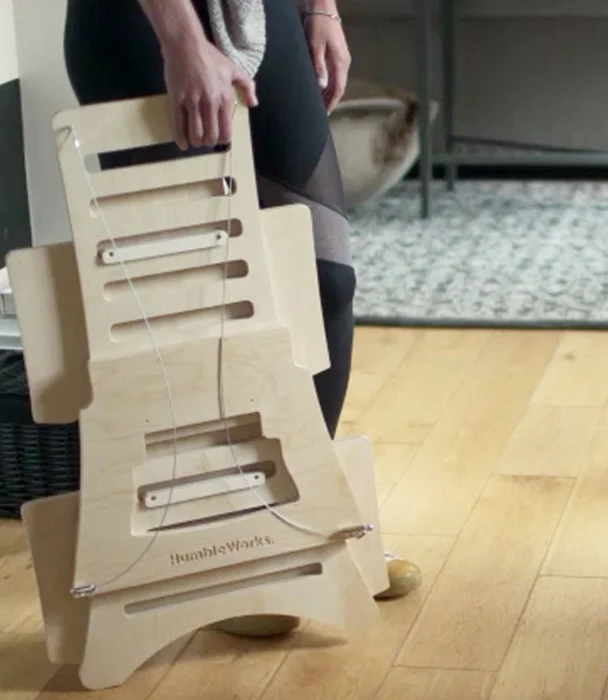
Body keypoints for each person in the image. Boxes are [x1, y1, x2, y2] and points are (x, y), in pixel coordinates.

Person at [62, 0, 422, 635]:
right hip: (138, 22)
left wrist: (322, 10)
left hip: (257, 11)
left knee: (325, 279)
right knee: (192, 293)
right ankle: (227, 549)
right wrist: (181, 39)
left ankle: (308, 523)